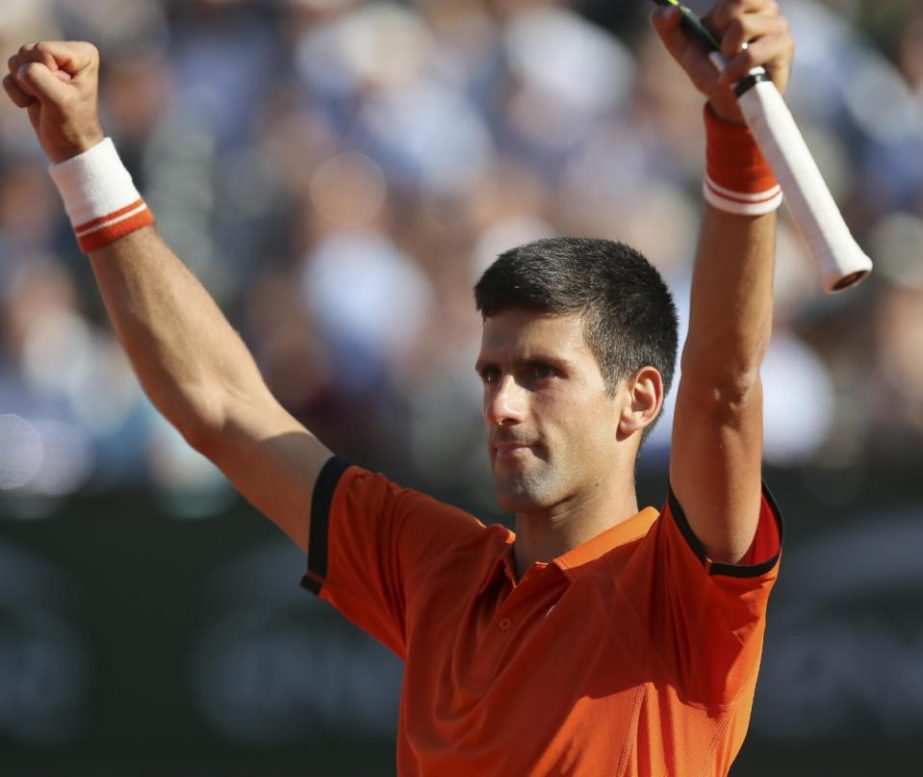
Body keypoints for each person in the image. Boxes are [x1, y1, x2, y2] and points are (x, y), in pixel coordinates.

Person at [4, 1, 793, 774]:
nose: (502, 404)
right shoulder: (435, 565)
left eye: (541, 373)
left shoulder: (685, 589)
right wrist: (82, 154)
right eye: (492, 373)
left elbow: (722, 386)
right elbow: (219, 405)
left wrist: (737, 138)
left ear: (641, 398)